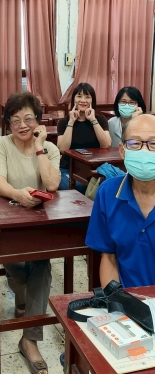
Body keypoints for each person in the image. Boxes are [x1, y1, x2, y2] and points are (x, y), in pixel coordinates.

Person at [0, 92, 61, 374]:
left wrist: (40, 148)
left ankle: (29, 339)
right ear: (8, 123)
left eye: (28, 119)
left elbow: (52, 185)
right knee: (16, 269)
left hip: (40, 224)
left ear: (38, 121)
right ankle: (21, 299)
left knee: (41, 266)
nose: (22, 125)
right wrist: (18, 195)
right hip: (6, 221)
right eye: (15, 120)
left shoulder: (49, 148)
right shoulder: (0, 144)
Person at [86, 114, 155, 288]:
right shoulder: (108, 193)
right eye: (134, 143)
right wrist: (116, 299)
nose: (145, 151)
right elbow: (109, 258)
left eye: (153, 144)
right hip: (127, 299)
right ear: (122, 150)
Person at [57, 83, 111, 192]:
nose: (83, 100)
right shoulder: (64, 122)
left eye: (87, 97)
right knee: (77, 186)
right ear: (74, 99)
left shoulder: (100, 120)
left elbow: (106, 144)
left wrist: (93, 120)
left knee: (104, 185)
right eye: (79, 96)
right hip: (68, 169)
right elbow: (62, 149)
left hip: (95, 169)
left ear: (92, 100)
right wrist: (71, 122)